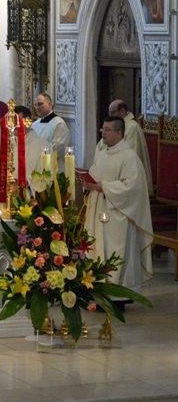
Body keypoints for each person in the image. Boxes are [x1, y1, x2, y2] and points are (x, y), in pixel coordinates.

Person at [83, 116, 153, 297]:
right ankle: (98, 289)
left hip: (117, 216)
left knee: (115, 252)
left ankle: (117, 295)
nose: (103, 133)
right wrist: (88, 184)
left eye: (107, 130)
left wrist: (104, 187)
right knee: (98, 250)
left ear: (119, 133)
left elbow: (132, 187)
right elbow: (94, 174)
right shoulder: (103, 153)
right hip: (99, 211)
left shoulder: (129, 157)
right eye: (102, 130)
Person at [0, 106, 49, 209]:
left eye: (17, 123)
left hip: (29, 200)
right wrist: (2, 180)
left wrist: (25, 181)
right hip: (4, 199)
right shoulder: (3, 144)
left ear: (28, 122)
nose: (13, 127)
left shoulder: (43, 146)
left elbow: (48, 175)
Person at [97, 100, 153, 195]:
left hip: (124, 176)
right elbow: (100, 147)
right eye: (109, 113)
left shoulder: (132, 127)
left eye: (112, 112)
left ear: (122, 111)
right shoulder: (111, 126)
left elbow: (131, 153)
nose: (110, 115)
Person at [31, 93, 71, 174]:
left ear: (49, 104)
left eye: (40, 104)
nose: (37, 107)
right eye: (36, 105)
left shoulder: (59, 124)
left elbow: (58, 148)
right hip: (36, 166)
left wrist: (37, 152)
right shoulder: (35, 124)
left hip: (54, 169)